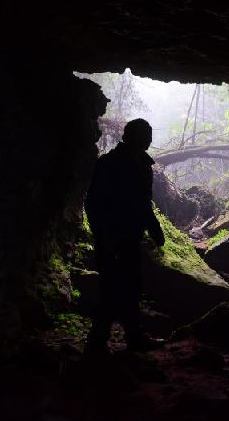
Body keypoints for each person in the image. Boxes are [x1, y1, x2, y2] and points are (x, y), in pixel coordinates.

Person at [84, 118, 165, 353]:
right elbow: (94, 204)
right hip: (111, 238)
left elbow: (143, 203)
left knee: (131, 288)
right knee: (111, 289)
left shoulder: (142, 164)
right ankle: (97, 343)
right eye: (145, 134)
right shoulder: (109, 164)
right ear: (131, 136)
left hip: (130, 238)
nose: (149, 139)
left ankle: (133, 338)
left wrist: (154, 228)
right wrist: (103, 236)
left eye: (149, 134)